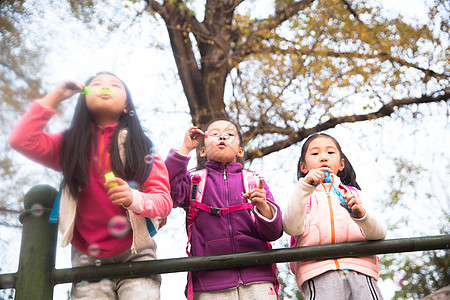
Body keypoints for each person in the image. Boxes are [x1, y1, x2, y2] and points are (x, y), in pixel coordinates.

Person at [9, 72, 172, 299]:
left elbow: (164, 201)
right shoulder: (69, 146)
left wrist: (134, 197)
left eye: (114, 85)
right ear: (84, 100)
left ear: (126, 106)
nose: (105, 87)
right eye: (97, 84)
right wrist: (56, 96)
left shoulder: (143, 147)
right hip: (87, 258)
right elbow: (21, 140)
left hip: (136, 251)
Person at [165, 120, 283, 300]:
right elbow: (167, 189)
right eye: (214, 134)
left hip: (257, 279)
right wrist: (185, 148)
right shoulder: (194, 182)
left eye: (229, 134)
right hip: (209, 284)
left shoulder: (254, 181)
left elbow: (274, 233)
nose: (222, 136)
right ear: (202, 150)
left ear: (240, 151)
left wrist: (263, 206)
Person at [283, 133, 387, 300]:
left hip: (360, 270)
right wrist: (304, 187)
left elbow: (380, 234)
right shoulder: (302, 197)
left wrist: (361, 216)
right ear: (303, 167)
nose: (323, 157)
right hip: (318, 272)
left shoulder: (355, 195)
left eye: (330, 153)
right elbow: (291, 227)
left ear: (341, 164)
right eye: (315, 154)